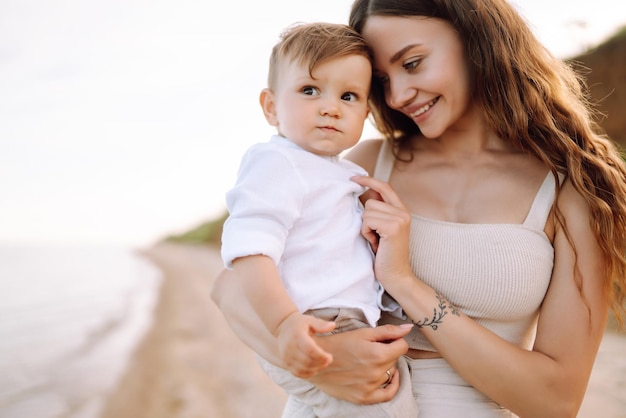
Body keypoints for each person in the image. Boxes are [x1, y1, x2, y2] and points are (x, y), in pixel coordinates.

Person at [212, 1, 626, 417]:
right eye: (381, 81)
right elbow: (230, 287)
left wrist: (404, 282)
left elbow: (556, 401)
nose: (396, 95)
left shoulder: (574, 190)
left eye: (412, 63)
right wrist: (323, 364)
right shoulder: (365, 166)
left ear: (477, 41)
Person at [219, 22, 417, 418]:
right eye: (310, 90)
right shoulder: (278, 162)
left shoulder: (335, 172)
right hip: (316, 324)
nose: (331, 107)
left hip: (330, 320)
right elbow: (250, 250)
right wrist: (285, 323)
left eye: (348, 96)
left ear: (365, 112)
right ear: (271, 107)